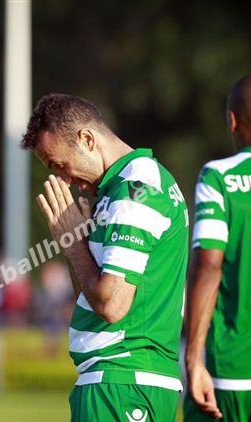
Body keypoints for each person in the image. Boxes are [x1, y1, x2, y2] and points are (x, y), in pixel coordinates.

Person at [21, 94, 188, 421]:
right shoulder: (118, 191)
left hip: (124, 381)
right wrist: (77, 242)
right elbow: (90, 296)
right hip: (121, 379)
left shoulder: (135, 190)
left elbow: (111, 305)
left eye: (59, 165)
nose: (65, 180)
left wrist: (72, 243)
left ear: (87, 139)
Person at [184, 74, 251, 421]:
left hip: (229, 372)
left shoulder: (220, 177)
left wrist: (193, 358)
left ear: (232, 120)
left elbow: (208, 266)